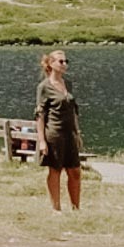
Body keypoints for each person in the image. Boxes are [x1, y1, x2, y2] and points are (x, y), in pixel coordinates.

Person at [34, 48, 83, 212]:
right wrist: (42, 141)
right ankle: (56, 208)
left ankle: (76, 208)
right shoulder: (44, 87)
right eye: (61, 61)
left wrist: (77, 133)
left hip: (70, 134)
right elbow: (40, 115)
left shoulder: (68, 84)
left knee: (75, 171)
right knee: (55, 170)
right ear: (51, 63)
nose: (64, 64)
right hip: (54, 134)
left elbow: (73, 110)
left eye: (66, 61)